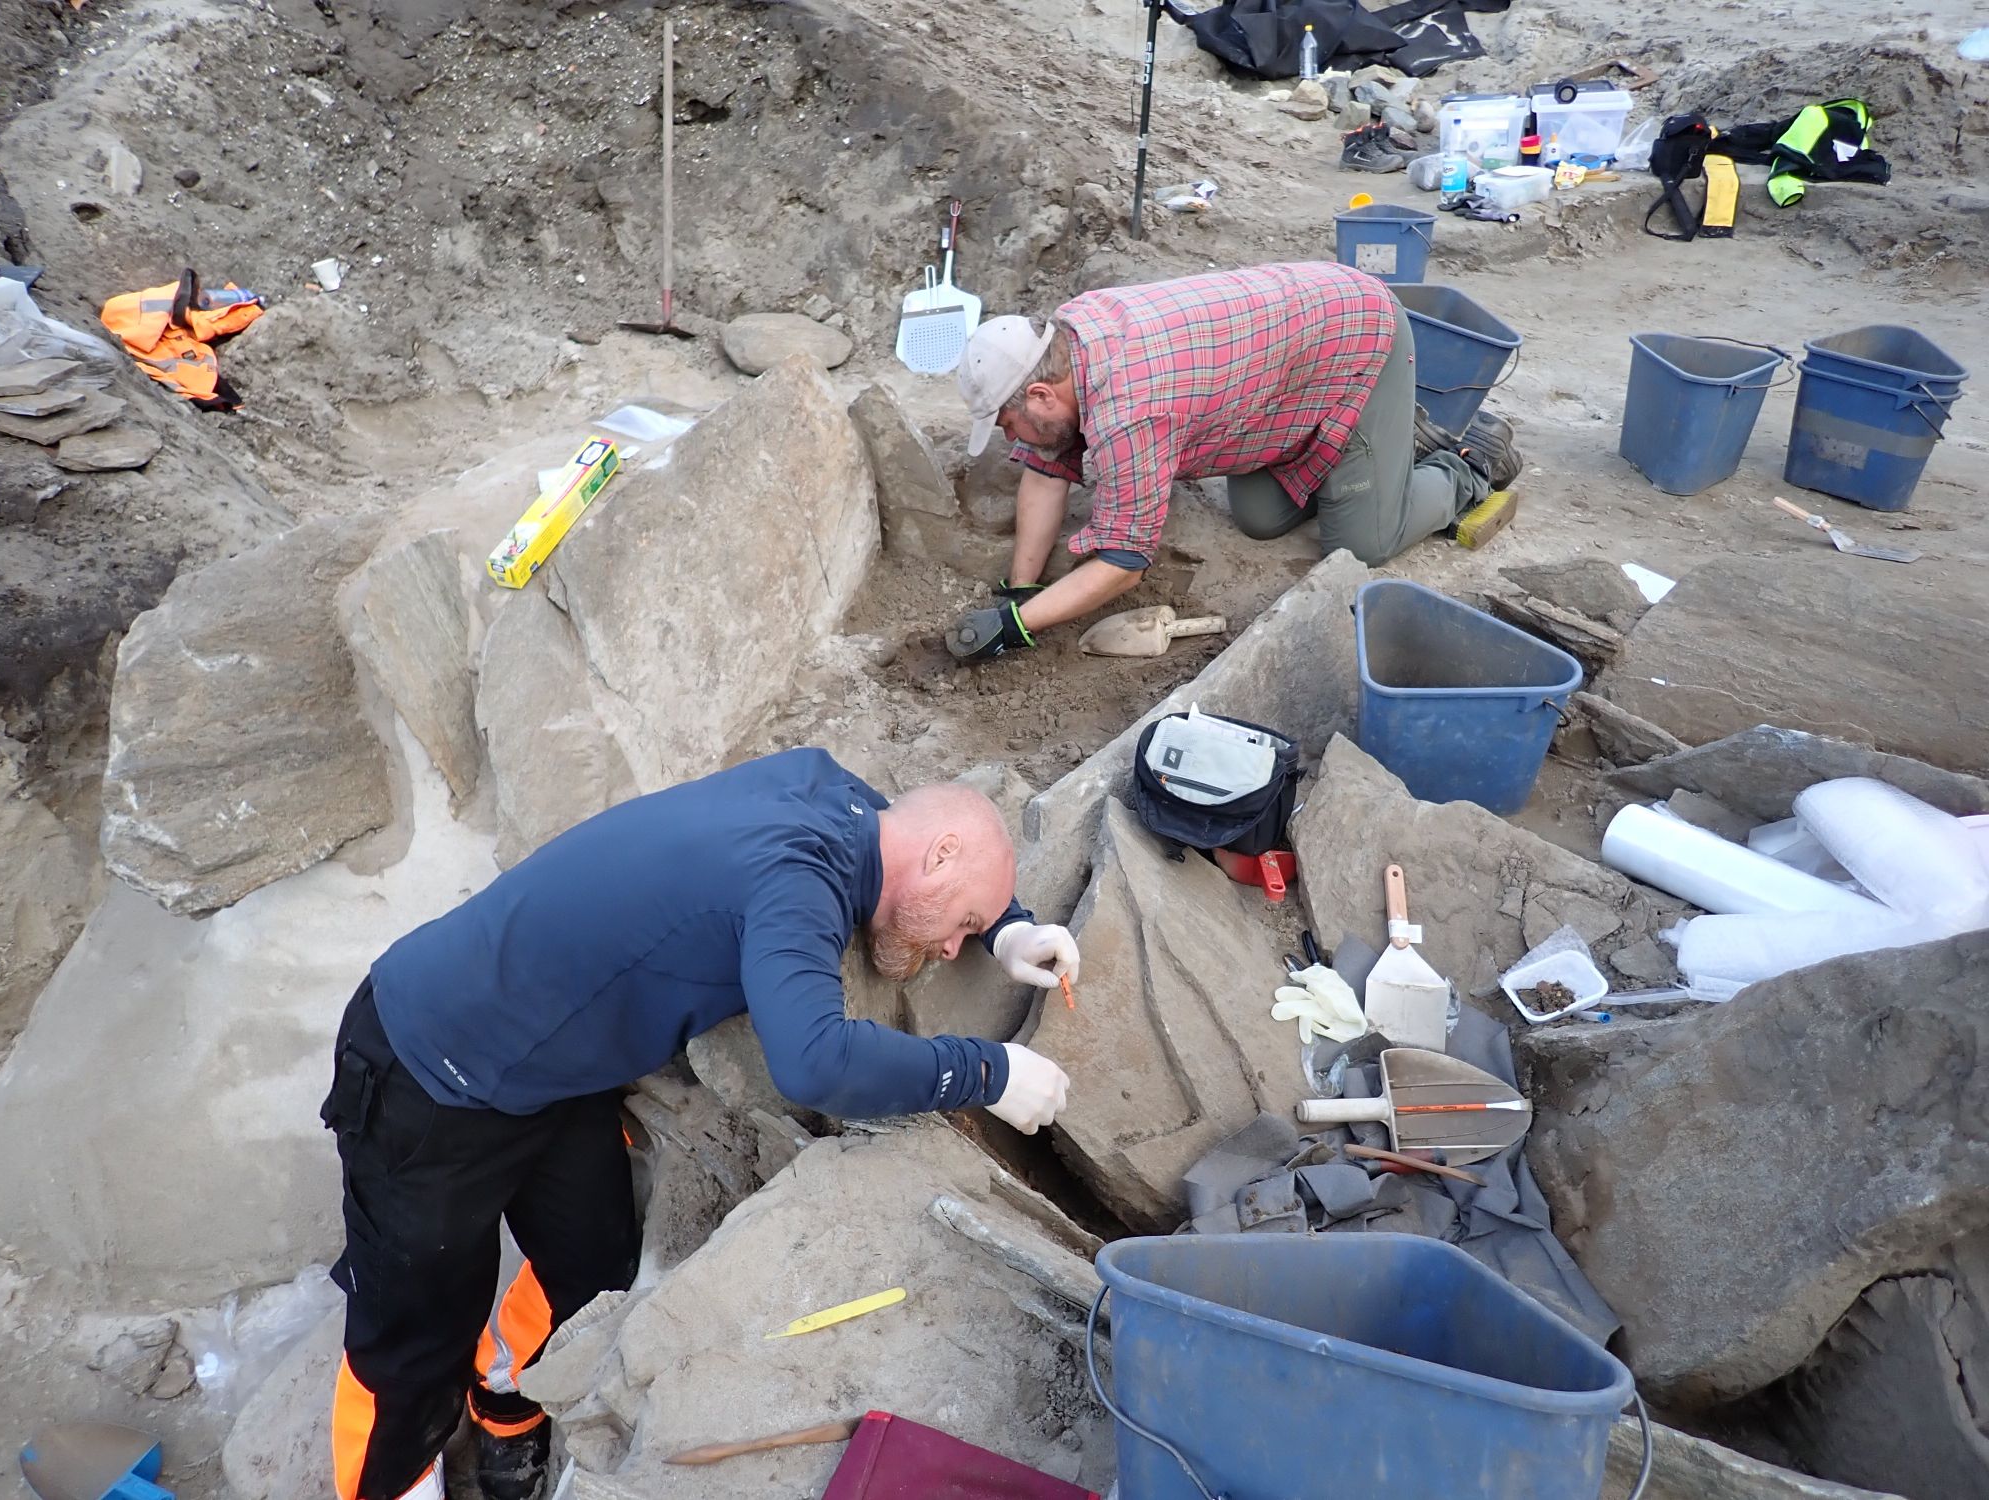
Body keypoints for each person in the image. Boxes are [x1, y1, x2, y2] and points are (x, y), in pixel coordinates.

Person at [321, 749, 1079, 1500]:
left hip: (554, 1073)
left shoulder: (827, 790)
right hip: (428, 1068)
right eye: (964, 923)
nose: (952, 946)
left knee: (590, 1265)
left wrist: (1007, 930)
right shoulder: (795, 885)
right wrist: (989, 1073)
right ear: (938, 855)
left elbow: (927, 829)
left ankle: (508, 1405)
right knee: (414, 1341)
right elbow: (815, 1062)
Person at [944, 260, 1521, 660]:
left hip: (1358, 333)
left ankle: (1463, 465)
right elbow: (1047, 468)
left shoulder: (1132, 410)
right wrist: (1019, 590)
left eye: (1006, 422)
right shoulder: (1065, 342)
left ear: (1041, 395)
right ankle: (1380, 451)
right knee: (1260, 517)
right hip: (1289, 376)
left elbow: (1123, 563)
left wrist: (1019, 628)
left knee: (1363, 543)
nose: (1010, 437)